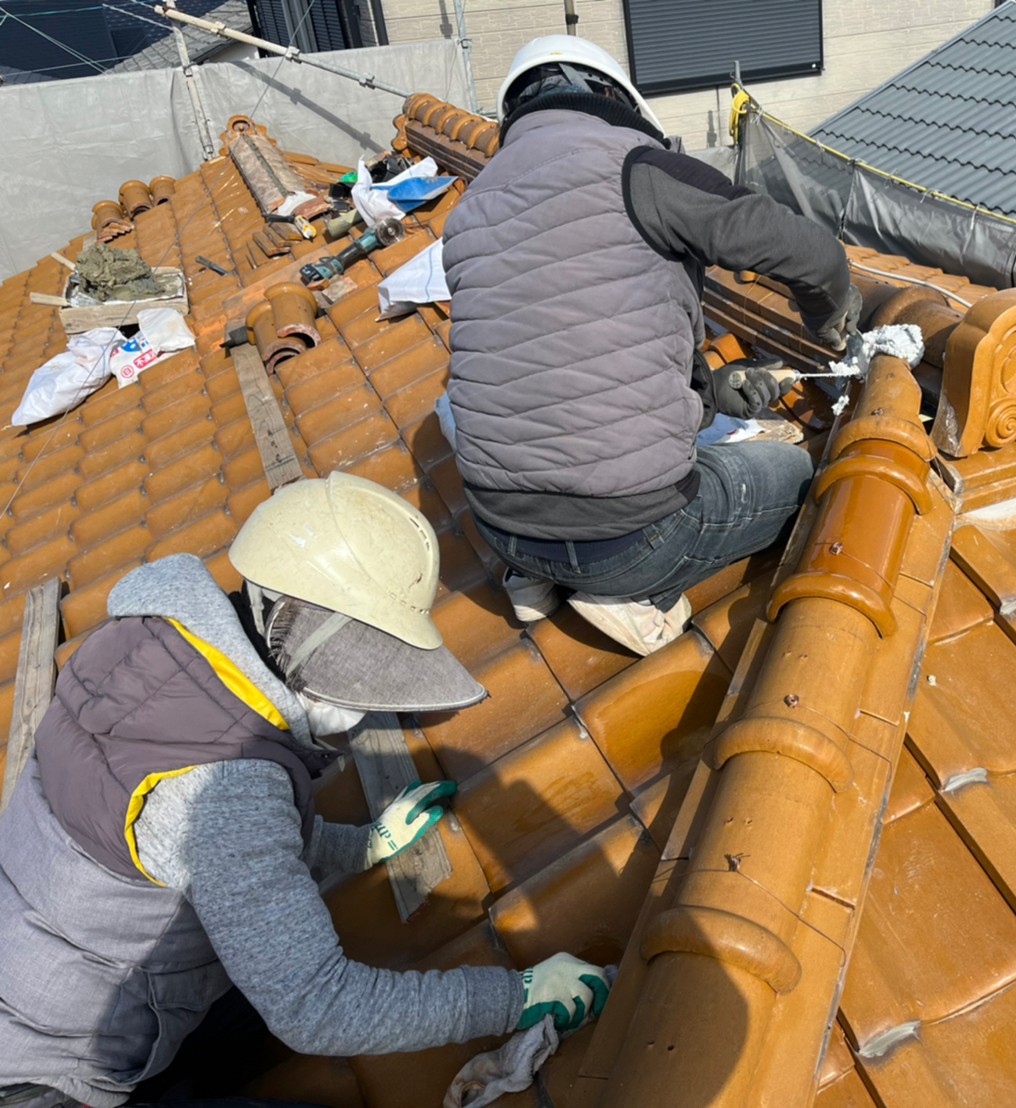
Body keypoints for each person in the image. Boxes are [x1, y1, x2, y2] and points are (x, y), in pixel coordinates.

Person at [0, 474, 609, 1107]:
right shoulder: (227, 786)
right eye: (350, 680)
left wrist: (360, 846)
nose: (354, 716)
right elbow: (316, 1007)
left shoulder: (145, 639)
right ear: (289, 636)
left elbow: (190, 849)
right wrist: (516, 996)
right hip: (36, 1079)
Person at [443, 35, 863, 656]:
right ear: (614, 98)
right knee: (797, 473)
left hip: (498, 528)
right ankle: (625, 594)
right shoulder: (636, 165)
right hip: (633, 544)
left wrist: (710, 394)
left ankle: (535, 579)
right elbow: (811, 253)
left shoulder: (468, 209)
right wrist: (831, 324)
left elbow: (567, 359)